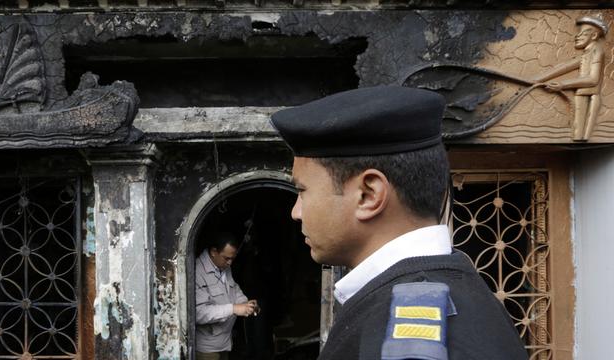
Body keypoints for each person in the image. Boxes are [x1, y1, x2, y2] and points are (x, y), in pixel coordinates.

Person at [270, 86, 528, 360]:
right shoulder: (469, 295)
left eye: (302, 191)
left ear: (368, 195)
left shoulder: (404, 335)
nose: (295, 212)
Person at [533, 14, 608, 141]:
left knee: (582, 138)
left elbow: (593, 79)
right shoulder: (587, 53)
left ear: (594, 36)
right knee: (577, 135)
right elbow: (564, 68)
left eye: (583, 33)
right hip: (581, 96)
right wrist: (537, 79)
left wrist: (563, 84)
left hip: (590, 98)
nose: (577, 36)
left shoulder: (597, 51)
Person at [195, 232, 259, 360]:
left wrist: (246, 304)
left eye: (232, 259)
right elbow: (199, 314)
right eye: (227, 258)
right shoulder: (197, 272)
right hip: (207, 349)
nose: (230, 263)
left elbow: (233, 289)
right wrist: (234, 309)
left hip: (225, 343)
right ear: (214, 252)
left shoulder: (223, 265)